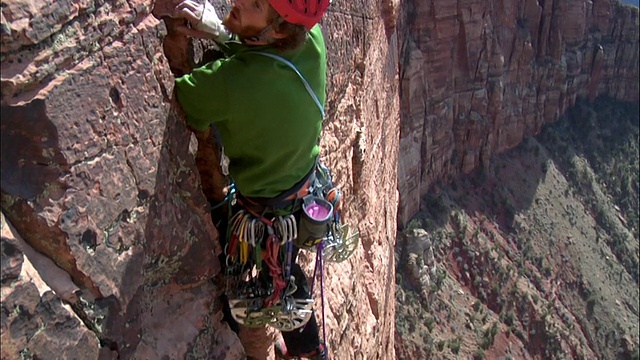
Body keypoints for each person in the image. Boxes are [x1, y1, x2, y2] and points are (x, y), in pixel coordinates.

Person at [169, 0, 330, 358]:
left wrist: (220, 35)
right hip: (305, 190)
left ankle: (258, 338)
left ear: (279, 29)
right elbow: (267, 59)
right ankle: (311, 352)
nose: (238, 0)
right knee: (285, 275)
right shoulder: (312, 40)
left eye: (255, 3)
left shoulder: (230, 82)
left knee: (260, 280)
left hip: (260, 214)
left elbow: (188, 98)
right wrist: (223, 31)